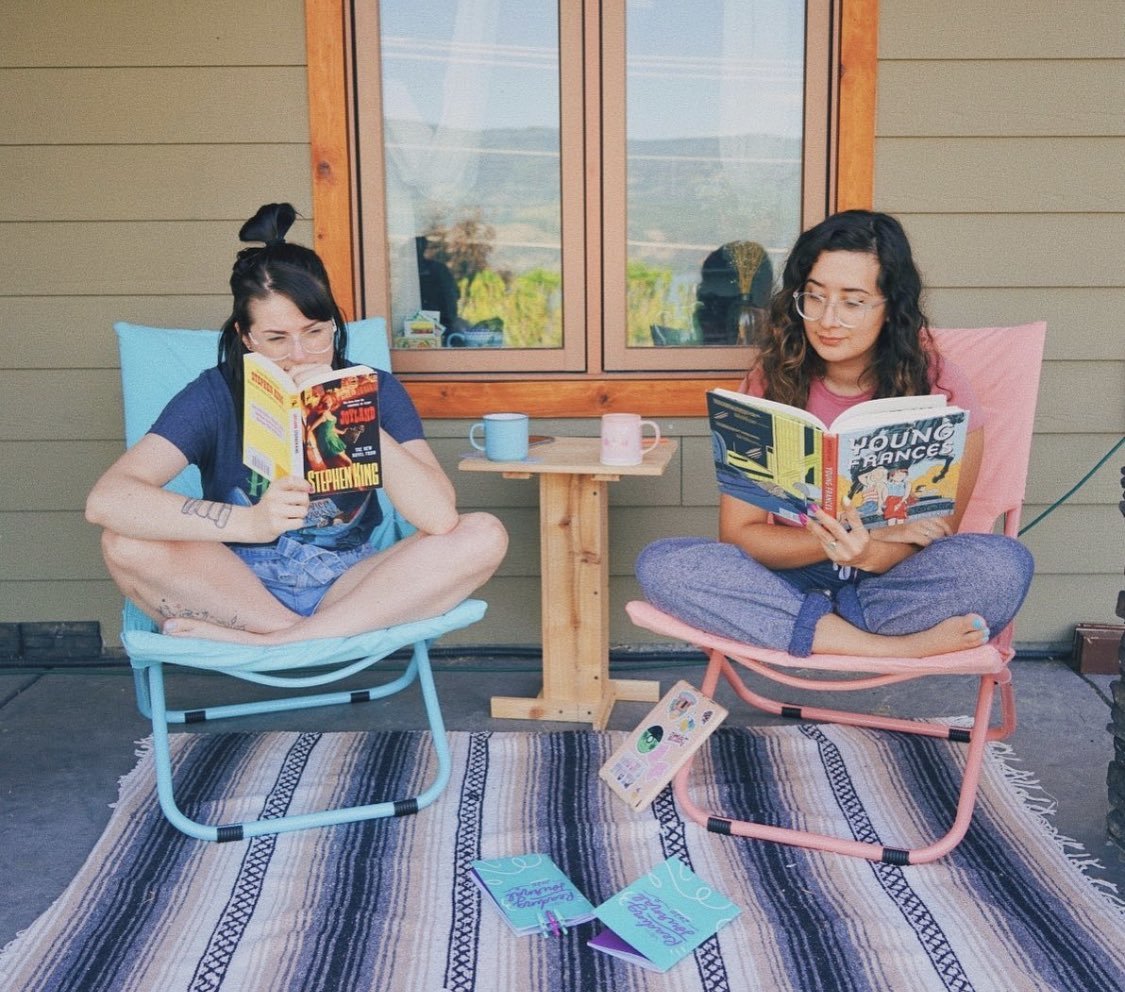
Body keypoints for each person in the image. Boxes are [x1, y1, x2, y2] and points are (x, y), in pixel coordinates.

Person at [86, 202, 508, 645]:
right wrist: (252, 523)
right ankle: (299, 633)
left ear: (333, 325)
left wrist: (351, 411)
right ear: (246, 336)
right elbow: (107, 501)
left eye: (315, 332)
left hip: (350, 585)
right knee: (123, 542)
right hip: (235, 586)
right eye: (276, 339)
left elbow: (438, 518)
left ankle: (278, 641)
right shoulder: (214, 394)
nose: (300, 354)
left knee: (483, 533)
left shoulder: (376, 388)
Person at [636, 210, 1033, 659]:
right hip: (793, 576)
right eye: (815, 296)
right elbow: (741, 535)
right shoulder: (770, 382)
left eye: (853, 302)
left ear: (891, 308)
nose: (827, 320)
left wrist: (868, 554)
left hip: (889, 587)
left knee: (1002, 565)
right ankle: (887, 648)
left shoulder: (942, 389)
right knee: (665, 565)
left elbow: (934, 536)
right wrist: (843, 540)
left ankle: (811, 627)